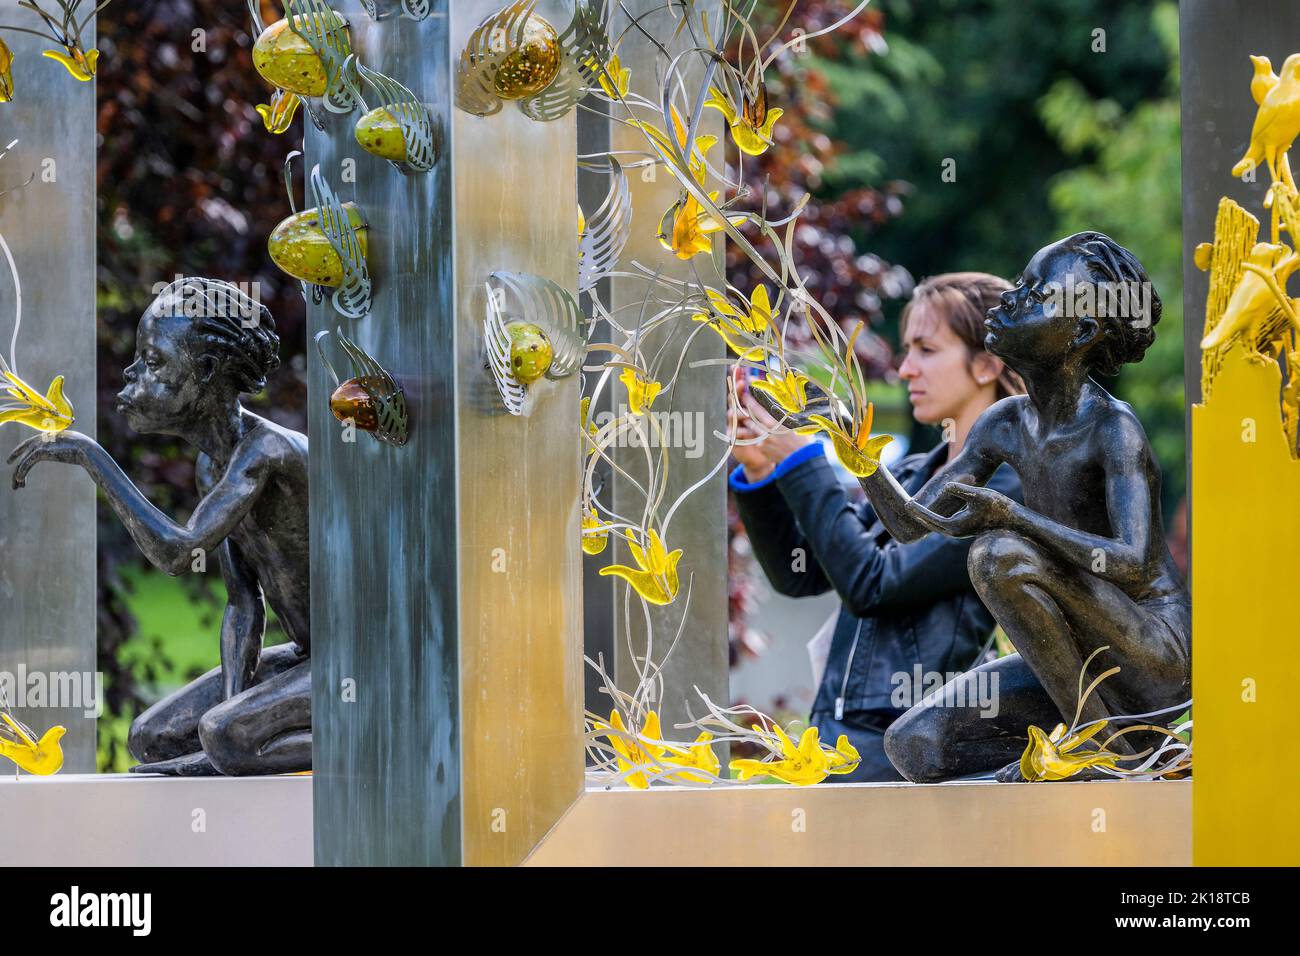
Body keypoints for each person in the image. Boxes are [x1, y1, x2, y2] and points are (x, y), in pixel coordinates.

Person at [859, 233, 1190, 783]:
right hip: (1079, 663)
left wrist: (1014, 519)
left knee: (998, 556)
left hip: (1153, 655)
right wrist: (859, 454)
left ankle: (1097, 750)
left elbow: (1131, 563)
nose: (1009, 301)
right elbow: (911, 525)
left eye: (1036, 294)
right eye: (1018, 285)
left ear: (1080, 333)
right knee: (914, 745)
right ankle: (1082, 751)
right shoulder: (1004, 423)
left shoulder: (1114, 429)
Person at [9, 277, 310, 776]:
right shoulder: (212, 466)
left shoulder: (267, 453)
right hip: (306, 658)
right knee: (152, 738)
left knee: (224, 737)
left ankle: (361, 743)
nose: (131, 375)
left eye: (152, 363)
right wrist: (231, 709)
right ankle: (231, 751)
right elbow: (243, 602)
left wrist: (91, 456)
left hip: (359, 663)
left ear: (206, 372)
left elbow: (178, 552)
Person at [731, 272, 1024, 781]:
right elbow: (802, 573)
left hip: (907, 756)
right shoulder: (908, 475)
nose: (906, 369)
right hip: (838, 743)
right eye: (907, 349)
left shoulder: (1004, 490)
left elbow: (873, 583)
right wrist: (761, 471)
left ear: (988, 362)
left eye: (927, 350)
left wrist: (805, 463)